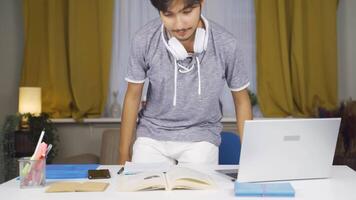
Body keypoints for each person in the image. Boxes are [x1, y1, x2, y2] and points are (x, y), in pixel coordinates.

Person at [118, 0, 252, 165]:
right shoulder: (144, 39)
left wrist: (250, 158)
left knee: (195, 190)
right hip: (151, 136)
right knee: (142, 188)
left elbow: (241, 101)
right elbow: (133, 96)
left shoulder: (226, 44)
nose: (179, 24)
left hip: (201, 137)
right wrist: (123, 154)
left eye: (187, 12)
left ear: (201, 3)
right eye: (168, 15)